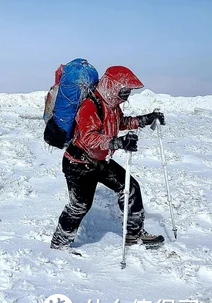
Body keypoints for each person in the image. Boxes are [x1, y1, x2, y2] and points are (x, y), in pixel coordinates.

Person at [50, 66, 166, 250]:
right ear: (112, 86)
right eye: (124, 90)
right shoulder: (90, 105)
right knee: (79, 206)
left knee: (130, 188)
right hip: (78, 164)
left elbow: (120, 123)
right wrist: (117, 143)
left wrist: (145, 119)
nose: (127, 95)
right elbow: (88, 138)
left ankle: (133, 234)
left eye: (128, 91)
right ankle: (59, 244)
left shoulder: (111, 106)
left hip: (100, 161)